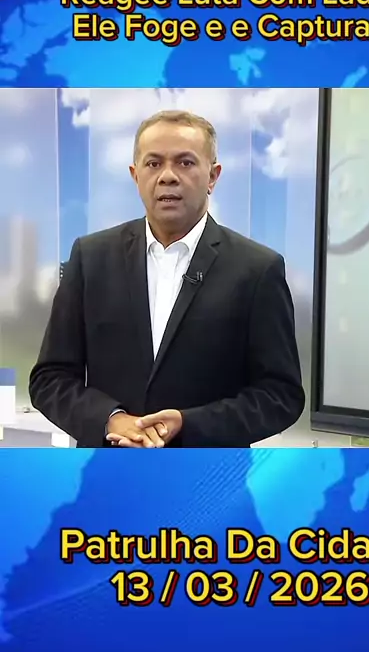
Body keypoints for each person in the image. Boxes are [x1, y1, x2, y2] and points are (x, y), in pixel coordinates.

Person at [29, 110, 305, 448]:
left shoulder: (257, 269)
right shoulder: (91, 258)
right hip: (109, 469)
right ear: (135, 175)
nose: (168, 176)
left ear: (213, 176)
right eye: (153, 163)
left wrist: (189, 425)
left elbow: (280, 396)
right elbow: (50, 379)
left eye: (185, 163)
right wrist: (111, 420)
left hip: (208, 473)